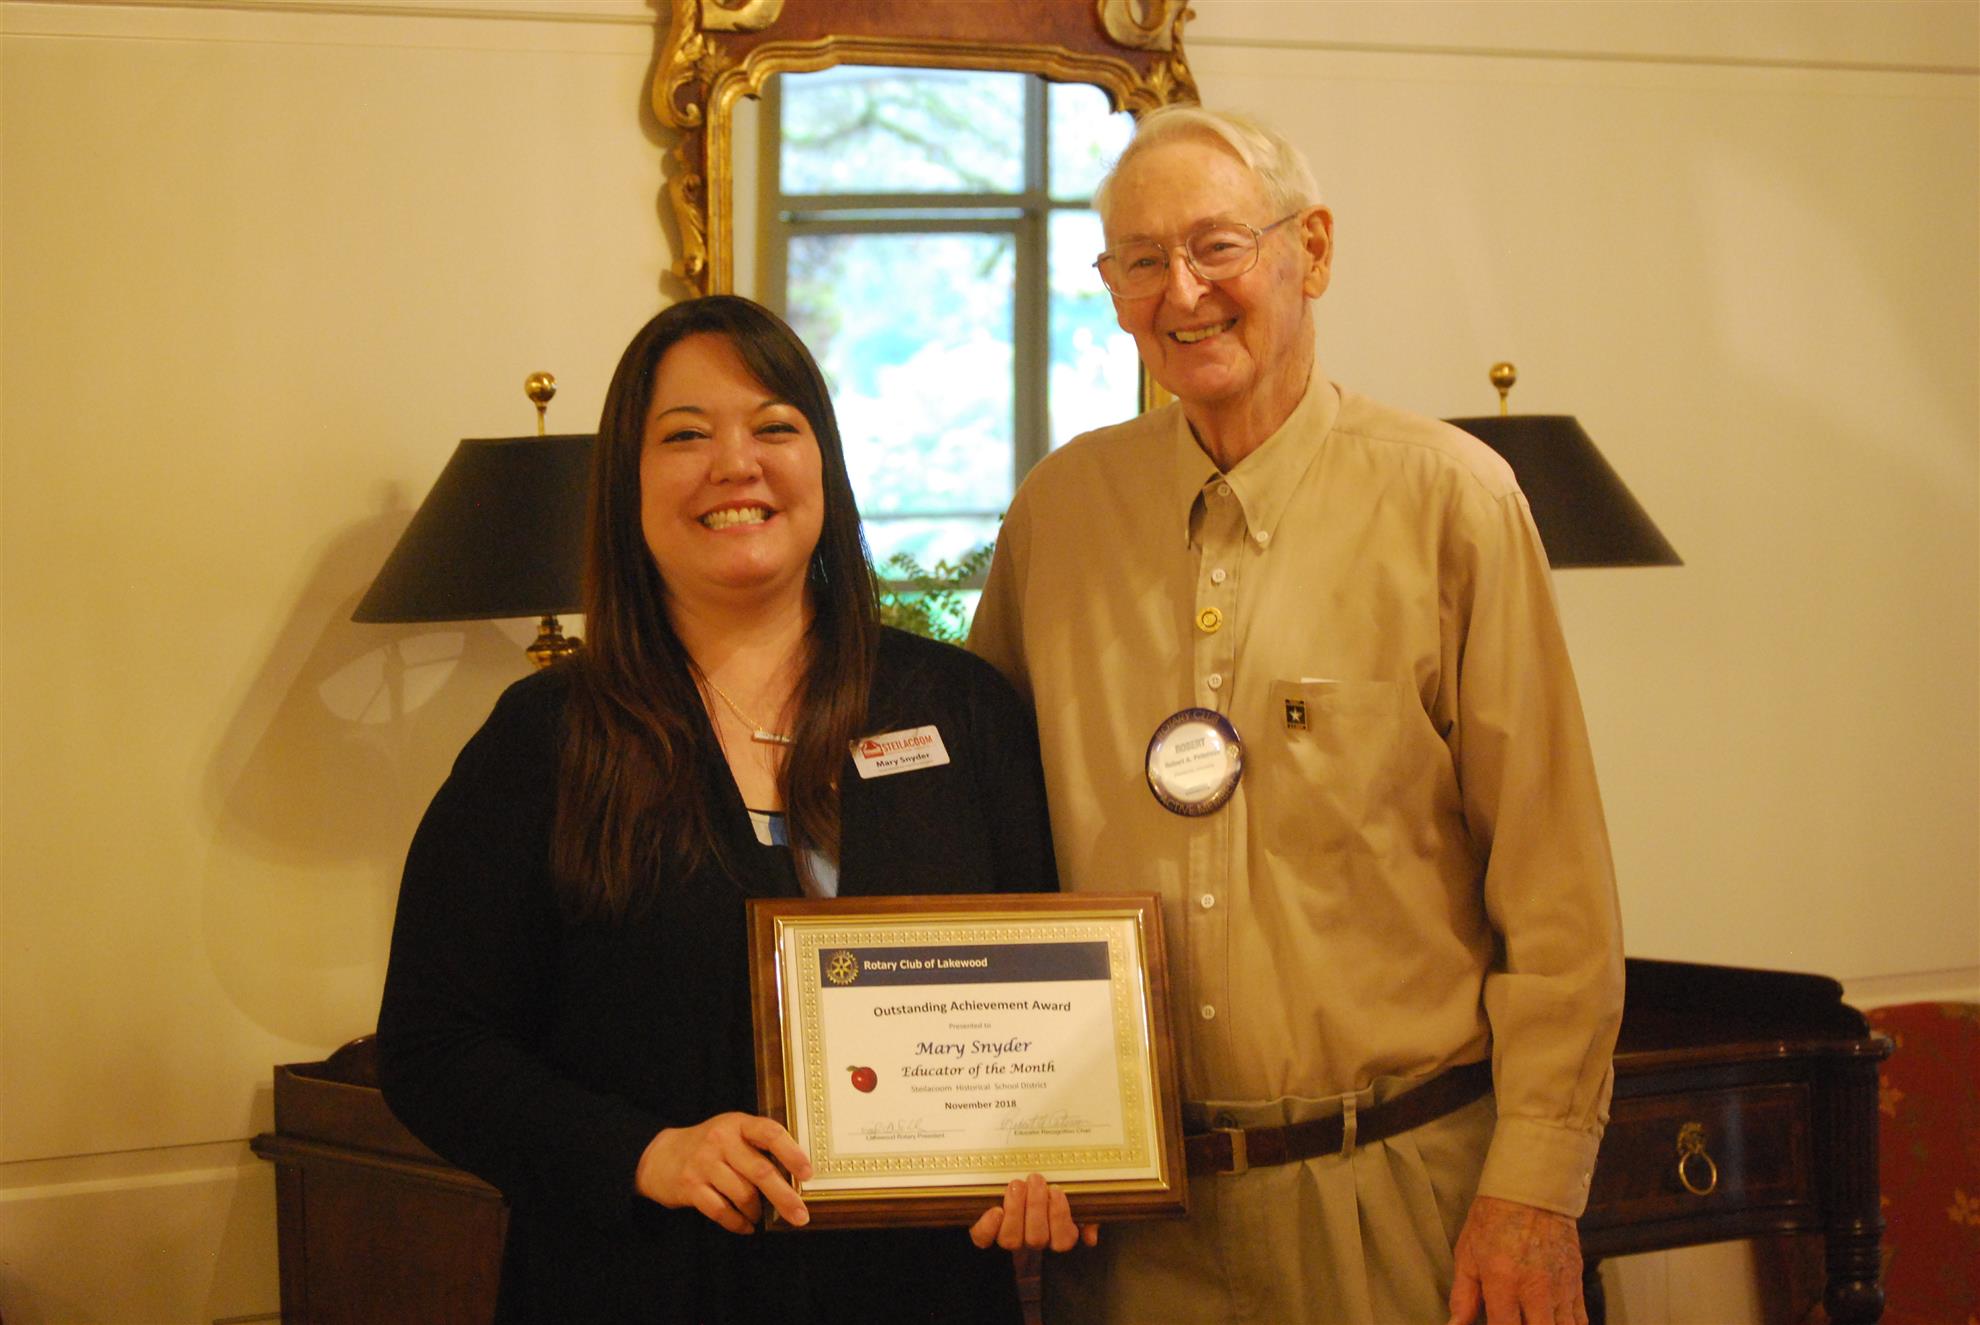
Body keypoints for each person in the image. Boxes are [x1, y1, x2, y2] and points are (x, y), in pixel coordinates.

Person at [968, 106, 1625, 1325]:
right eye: (1142, 260)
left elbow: (1556, 889)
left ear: (1309, 250)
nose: (1183, 293)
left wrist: (1535, 1188)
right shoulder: (1057, 517)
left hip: (1401, 1199)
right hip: (1136, 1229)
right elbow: (985, 844)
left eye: (1216, 246)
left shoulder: (1454, 503)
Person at [377, 295, 1073, 1323]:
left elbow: (1054, 1000)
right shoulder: (546, 739)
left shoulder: (961, 709)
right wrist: (644, 1152)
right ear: (627, 482)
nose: (735, 464)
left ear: (824, 465)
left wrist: (1055, 1156)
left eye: (774, 426)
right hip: (641, 1285)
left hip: (918, 1290)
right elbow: (433, 1046)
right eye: (686, 435)